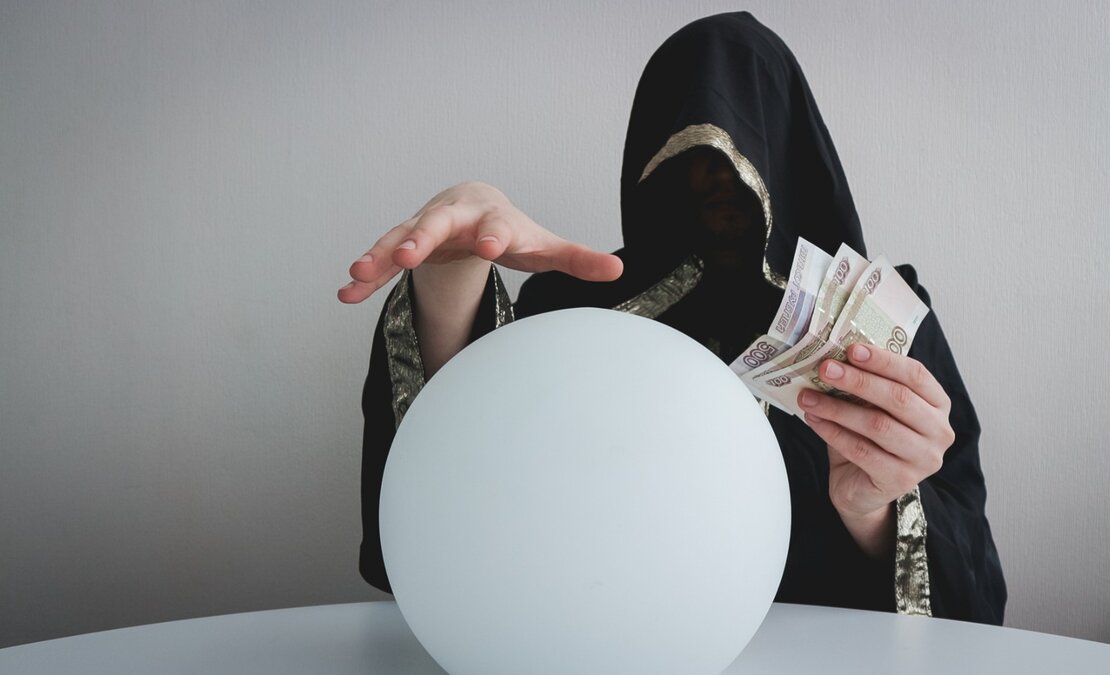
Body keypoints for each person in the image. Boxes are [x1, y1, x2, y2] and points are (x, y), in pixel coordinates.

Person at [339, 11, 1006, 623]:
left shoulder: (883, 330)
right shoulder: (573, 310)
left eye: (739, 146)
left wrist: (877, 511)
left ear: (781, 147)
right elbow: (461, 497)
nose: (720, 176)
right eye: (694, 153)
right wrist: (452, 276)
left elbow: (975, 597)